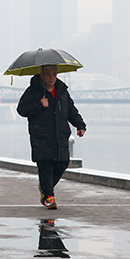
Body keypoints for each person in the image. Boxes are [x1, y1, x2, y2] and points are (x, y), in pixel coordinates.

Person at [16, 65, 86, 210]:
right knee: (46, 166)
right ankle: (48, 196)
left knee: (62, 164)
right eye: (48, 74)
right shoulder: (33, 91)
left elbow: (71, 110)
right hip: (41, 136)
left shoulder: (62, 92)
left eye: (54, 74)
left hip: (60, 137)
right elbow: (21, 109)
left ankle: (45, 187)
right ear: (42, 76)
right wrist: (39, 105)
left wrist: (80, 125)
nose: (52, 77)